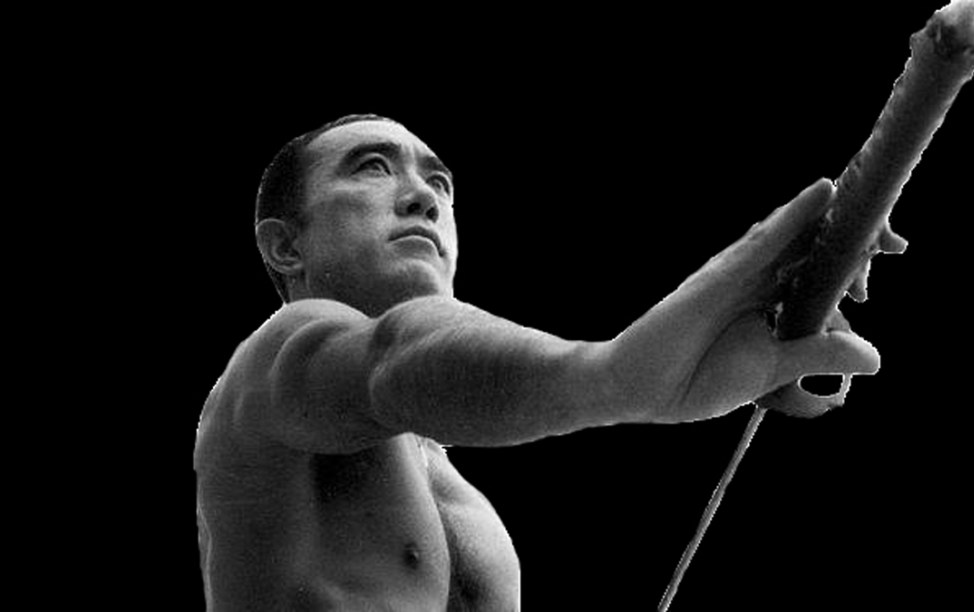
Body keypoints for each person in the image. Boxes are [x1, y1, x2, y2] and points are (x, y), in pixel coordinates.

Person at [193, 113, 881, 611]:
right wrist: (614, 375)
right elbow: (394, 355)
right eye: (372, 167)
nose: (424, 196)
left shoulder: (465, 501)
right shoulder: (274, 365)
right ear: (286, 247)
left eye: (441, 183)